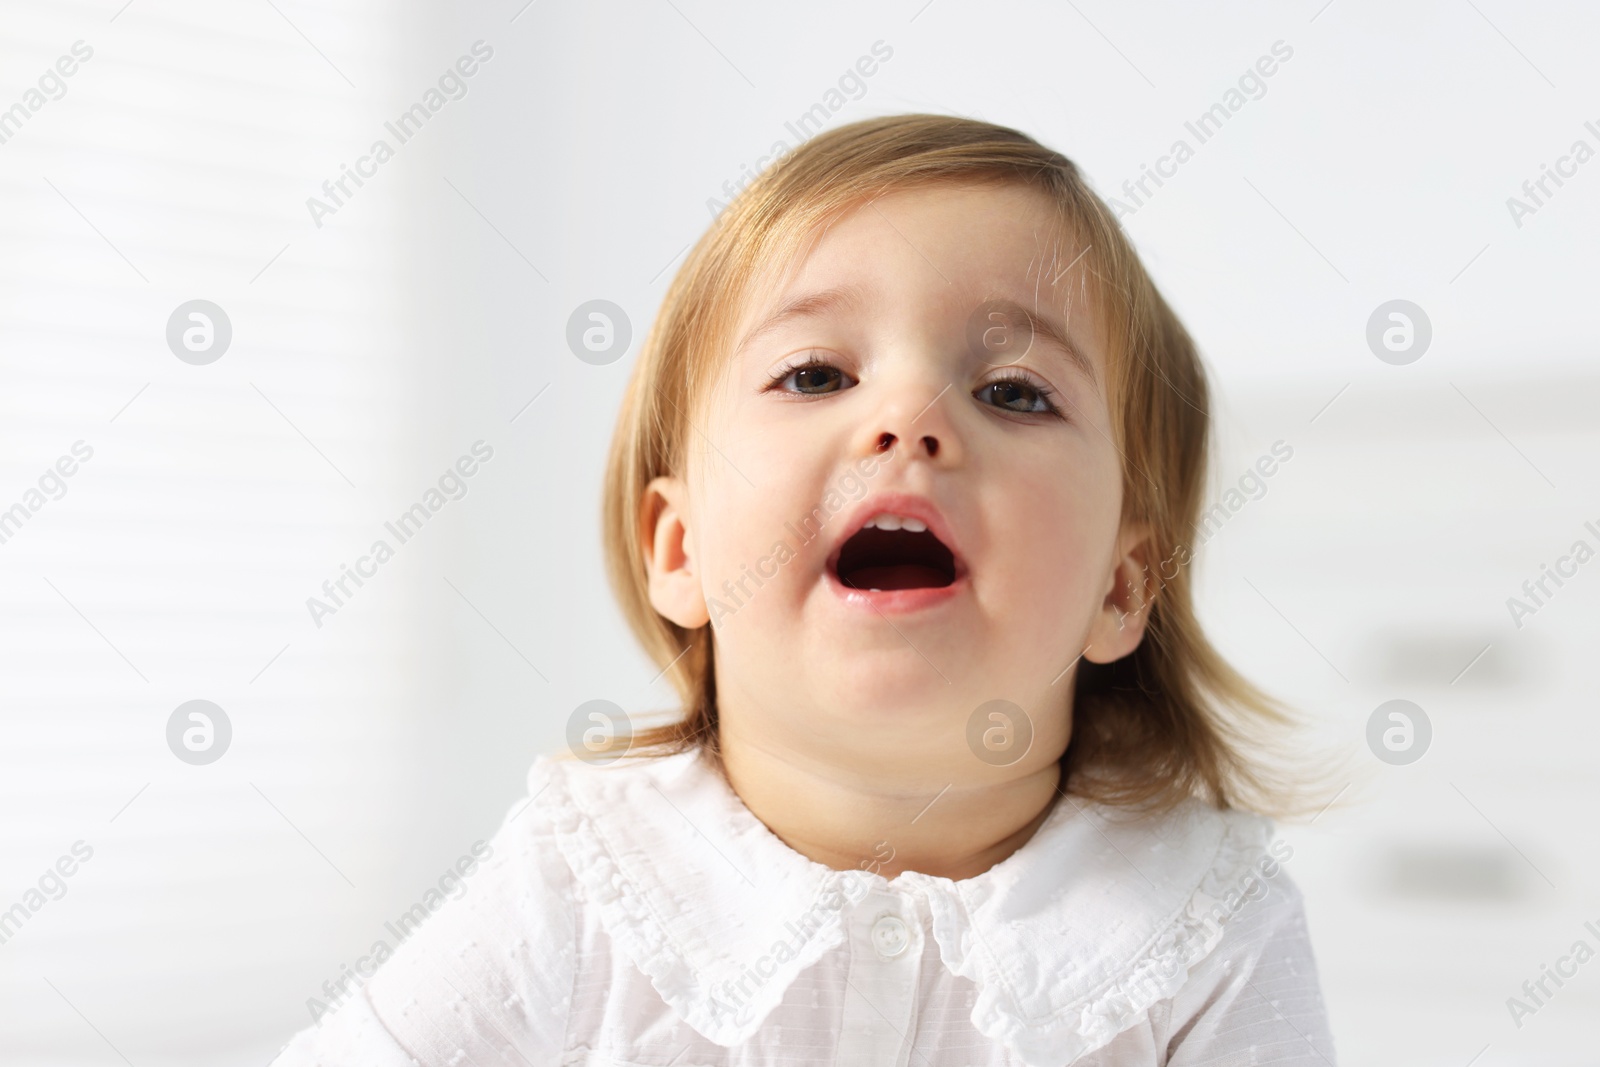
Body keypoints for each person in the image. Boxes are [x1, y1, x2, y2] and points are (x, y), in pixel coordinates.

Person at [270, 113, 1337, 1066]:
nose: (911, 416)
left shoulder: (1202, 926)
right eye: (818, 374)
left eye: (1013, 391)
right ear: (681, 548)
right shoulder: (579, 882)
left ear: (1119, 584)